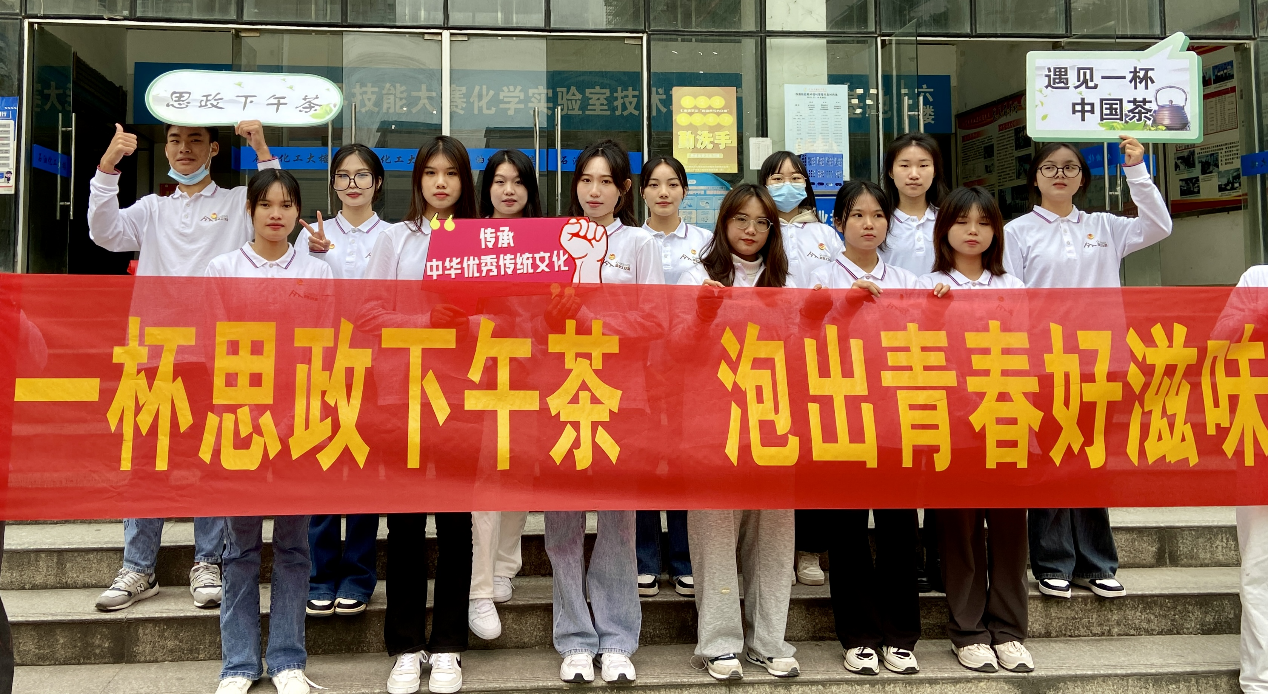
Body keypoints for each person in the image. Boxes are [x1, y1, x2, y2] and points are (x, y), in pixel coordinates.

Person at [88, 119, 278, 612]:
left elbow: (273, 202)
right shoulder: (152, 209)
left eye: (195, 140)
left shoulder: (236, 203)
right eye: (175, 140)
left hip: (216, 353)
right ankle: (138, 566)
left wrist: (261, 148)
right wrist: (108, 166)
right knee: (146, 458)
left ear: (213, 148)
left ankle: (208, 561)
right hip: (155, 353)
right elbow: (103, 232)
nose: (184, 149)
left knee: (209, 456)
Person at [1004, 135, 1170, 602]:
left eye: (1070, 168)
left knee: (1092, 461)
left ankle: (1097, 563)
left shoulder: (1105, 225)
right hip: (1045, 363)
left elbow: (1159, 226)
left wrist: (1136, 171)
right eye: (1050, 167)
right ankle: (1053, 562)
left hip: (1101, 362)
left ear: (1083, 178)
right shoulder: (1017, 232)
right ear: (1035, 178)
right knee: (1052, 460)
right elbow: (1011, 300)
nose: (1060, 175)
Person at [206, 168, 331, 694]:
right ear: (250, 210)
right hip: (241, 425)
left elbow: (326, 349)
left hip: (298, 424)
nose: (276, 214)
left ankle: (286, 659)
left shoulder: (318, 272)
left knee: (295, 547)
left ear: (298, 213)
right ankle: (238, 664)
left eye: (286, 205)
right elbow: (212, 348)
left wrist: (298, 411)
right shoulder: (223, 268)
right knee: (239, 549)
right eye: (266, 205)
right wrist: (249, 411)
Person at [363, 136, 478, 694]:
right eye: (431, 172)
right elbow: (368, 314)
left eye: (451, 173)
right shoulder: (394, 238)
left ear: (464, 182)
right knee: (404, 523)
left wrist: (468, 324)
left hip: (464, 395)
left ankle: (449, 644)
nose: (440, 183)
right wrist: (425, 322)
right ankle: (406, 646)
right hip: (403, 394)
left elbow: (506, 319)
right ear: (418, 180)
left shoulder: (485, 241)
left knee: (456, 523)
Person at [546, 139, 662, 685]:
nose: (594, 192)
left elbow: (656, 320)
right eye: (586, 180)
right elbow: (529, 319)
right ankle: (573, 637)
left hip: (619, 395)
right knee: (562, 520)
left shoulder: (639, 243)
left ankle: (617, 638)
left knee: (618, 519)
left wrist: (595, 320)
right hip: (560, 391)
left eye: (606, 182)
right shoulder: (551, 240)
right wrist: (553, 315)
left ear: (624, 189)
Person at [677, 183, 799, 681]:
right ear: (723, 222)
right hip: (712, 423)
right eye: (740, 219)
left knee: (774, 537)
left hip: (773, 420)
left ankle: (769, 640)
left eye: (761, 222)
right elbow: (674, 349)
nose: (751, 230)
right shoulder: (696, 275)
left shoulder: (787, 279)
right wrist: (701, 315)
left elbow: (806, 347)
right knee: (714, 534)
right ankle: (720, 643)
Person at [805, 181, 922, 677]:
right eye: (857, 215)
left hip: (897, 417)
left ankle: (901, 634)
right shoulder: (819, 277)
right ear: (838, 223)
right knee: (847, 530)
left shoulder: (907, 279)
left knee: (899, 528)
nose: (869, 224)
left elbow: (928, 334)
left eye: (877, 215)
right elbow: (804, 334)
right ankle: (858, 636)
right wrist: (842, 303)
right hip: (842, 414)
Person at [919, 186, 1032, 674]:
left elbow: (1028, 352)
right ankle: (967, 631)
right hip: (952, 424)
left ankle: (1008, 630)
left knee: (1009, 530)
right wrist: (933, 310)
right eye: (962, 222)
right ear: (944, 228)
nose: (972, 231)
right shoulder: (926, 286)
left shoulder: (1014, 286)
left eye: (984, 223)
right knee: (959, 532)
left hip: (1006, 416)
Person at [293, 144, 387, 619]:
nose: (353, 184)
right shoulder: (310, 236)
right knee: (323, 470)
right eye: (344, 176)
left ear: (378, 183)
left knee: (365, 471)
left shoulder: (393, 236)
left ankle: (358, 575)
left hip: (376, 367)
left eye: (362, 175)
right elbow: (297, 297)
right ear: (332, 183)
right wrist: (315, 259)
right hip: (322, 364)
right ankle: (320, 574)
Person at [466, 148, 538, 641]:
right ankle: (479, 586)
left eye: (517, 181)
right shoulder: (466, 238)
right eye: (499, 181)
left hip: (533, 373)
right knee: (485, 479)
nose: (508, 190)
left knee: (519, 474)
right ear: (486, 187)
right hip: (478, 373)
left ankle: (506, 566)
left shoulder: (549, 241)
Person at [759, 150, 841, 585]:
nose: (786, 185)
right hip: (770, 355)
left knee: (813, 455)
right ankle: (773, 551)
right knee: (774, 451)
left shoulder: (826, 234)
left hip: (822, 356)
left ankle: (809, 549)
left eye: (795, 177)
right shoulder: (757, 231)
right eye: (776, 178)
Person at [635, 154, 703, 598]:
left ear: (684, 191)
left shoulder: (705, 241)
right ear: (641, 191)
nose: (664, 192)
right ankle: (644, 557)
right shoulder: (628, 240)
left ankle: (683, 558)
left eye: (673, 184)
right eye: (655, 184)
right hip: (638, 364)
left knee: (682, 458)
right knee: (642, 458)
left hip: (689, 366)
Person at [1215, 266, 1268, 692]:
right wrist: (1257, 313)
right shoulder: (1257, 279)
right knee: (1260, 567)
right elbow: (1219, 340)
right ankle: (1259, 680)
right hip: (1260, 441)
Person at [880, 132, 948, 276]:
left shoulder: (949, 220)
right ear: (890, 171)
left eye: (923, 165)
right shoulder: (878, 221)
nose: (914, 175)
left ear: (935, 170)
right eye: (905, 165)